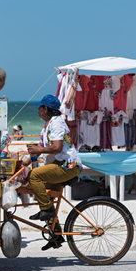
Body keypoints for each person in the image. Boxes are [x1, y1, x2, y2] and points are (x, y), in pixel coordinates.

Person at [23, 94, 81, 251]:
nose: (38, 110)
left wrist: (39, 149)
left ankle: (46, 211)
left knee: (35, 176)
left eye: (40, 107)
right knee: (41, 190)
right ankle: (56, 235)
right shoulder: (47, 126)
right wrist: (24, 162)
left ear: (45, 109)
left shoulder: (57, 123)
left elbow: (56, 147)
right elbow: (39, 150)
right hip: (59, 164)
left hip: (67, 165)